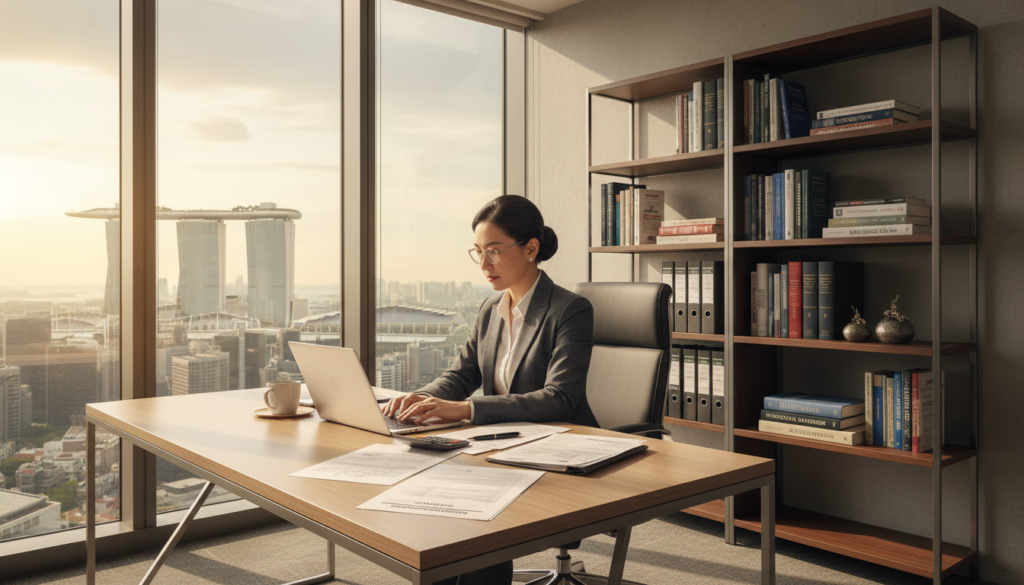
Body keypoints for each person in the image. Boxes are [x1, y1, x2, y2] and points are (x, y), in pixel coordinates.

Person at [382, 194, 599, 585]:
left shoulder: (570, 310)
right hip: (498, 445)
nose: (484, 265)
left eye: (494, 252)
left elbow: (560, 398)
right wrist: (420, 398)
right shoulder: (489, 310)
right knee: (438, 512)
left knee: (469, 512)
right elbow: (460, 376)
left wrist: (466, 411)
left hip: (559, 451)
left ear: (531, 249)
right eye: (478, 252)